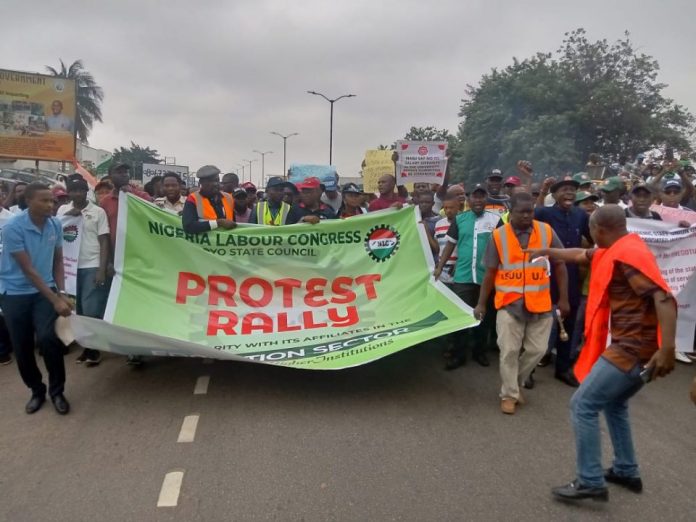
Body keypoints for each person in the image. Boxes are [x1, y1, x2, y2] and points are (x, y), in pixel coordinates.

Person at [526, 205, 677, 502]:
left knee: (583, 405)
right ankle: (626, 469)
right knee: (615, 404)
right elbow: (581, 255)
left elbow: (663, 297)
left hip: (632, 349)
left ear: (599, 230)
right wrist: (548, 251)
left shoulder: (628, 257)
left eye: (591, 232)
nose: (590, 239)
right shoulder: (618, 248)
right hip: (633, 347)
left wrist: (668, 348)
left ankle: (590, 480)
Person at [474, 192, 569, 414]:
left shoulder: (546, 231)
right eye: (521, 212)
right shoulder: (498, 236)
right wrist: (481, 304)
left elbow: (561, 264)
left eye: (530, 211)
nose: (527, 216)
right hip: (509, 303)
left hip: (541, 303)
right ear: (511, 212)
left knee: (538, 350)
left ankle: (514, 384)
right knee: (509, 351)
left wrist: (563, 299)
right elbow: (490, 273)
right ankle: (509, 395)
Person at [0, 182, 73, 414]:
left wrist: (61, 292)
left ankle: (57, 391)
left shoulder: (55, 225)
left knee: (48, 339)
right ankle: (36, 391)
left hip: (46, 291)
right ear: (29, 201)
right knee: (22, 346)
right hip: (14, 292)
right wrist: (55, 300)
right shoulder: (13, 227)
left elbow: (58, 260)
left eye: (52, 200)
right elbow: (28, 270)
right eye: (45, 200)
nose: (51, 204)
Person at [435, 185, 502, 369]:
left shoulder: (496, 220)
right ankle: (458, 354)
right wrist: (440, 267)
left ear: (486, 199)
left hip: (486, 277)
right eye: (475, 197)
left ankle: (479, 352)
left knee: (484, 316)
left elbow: (503, 246)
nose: (478, 200)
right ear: (468, 200)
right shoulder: (460, 219)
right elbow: (450, 245)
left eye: (482, 196)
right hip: (463, 275)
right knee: (461, 315)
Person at [535, 178, 592, 387]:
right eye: (565, 190)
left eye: (573, 190)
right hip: (545, 274)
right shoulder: (545, 213)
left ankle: (563, 368)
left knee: (568, 320)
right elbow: (530, 214)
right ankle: (529, 368)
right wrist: (540, 189)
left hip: (572, 275)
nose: (569, 193)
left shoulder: (581, 215)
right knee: (538, 323)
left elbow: (593, 237)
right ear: (555, 194)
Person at [99, 162, 152, 366]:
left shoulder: (142, 196)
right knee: (124, 306)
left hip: (141, 260)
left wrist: (132, 194)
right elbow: (103, 235)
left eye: (126, 172)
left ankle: (145, 344)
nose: (124, 175)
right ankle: (132, 350)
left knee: (142, 304)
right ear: (110, 176)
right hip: (118, 262)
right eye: (119, 172)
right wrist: (109, 262)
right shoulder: (105, 203)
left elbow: (153, 213)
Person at [57, 177, 110, 366]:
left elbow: (104, 241)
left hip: (91, 264)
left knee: (91, 309)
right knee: (77, 309)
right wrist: (69, 216)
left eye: (80, 190)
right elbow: (56, 232)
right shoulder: (63, 211)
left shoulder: (98, 212)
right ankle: (87, 347)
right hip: (70, 267)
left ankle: (93, 349)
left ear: (86, 192)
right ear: (69, 193)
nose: (77, 194)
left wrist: (102, 269)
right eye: (73, 190)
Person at [182, 165, 236, 234]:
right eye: (210, 181)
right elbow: (188, 226)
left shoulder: (228, 197)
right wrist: (218, 223)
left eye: (217, 180)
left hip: (225, 242)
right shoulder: (193, 198)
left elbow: (233, 222)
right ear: (201, 182)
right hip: (204, 244)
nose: (215, 184)